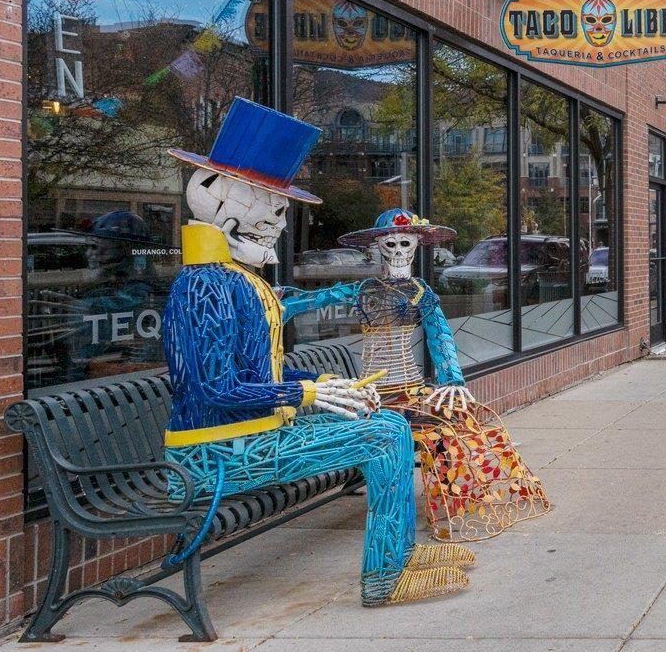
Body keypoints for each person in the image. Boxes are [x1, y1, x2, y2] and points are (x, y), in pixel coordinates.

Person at [162, 99, 470, 607]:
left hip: (252, 435)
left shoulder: (233, 280)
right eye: (275, 208)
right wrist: (308, 391)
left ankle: (398, 557)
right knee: (382, 436)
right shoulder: (204, 287)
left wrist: (329, 387)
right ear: (227, 205)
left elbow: (257, 371)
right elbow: (214, 389)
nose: (281, 224)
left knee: (389, 426)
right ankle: (386, 577)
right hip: (214, 455)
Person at [287, 210, 551, 542]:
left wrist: (452, 380)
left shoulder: (420, 293)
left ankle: (456, 498)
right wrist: (274, 304)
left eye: (405, 243)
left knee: (459, 420)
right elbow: (310, 300)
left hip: (410, 388)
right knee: (424, 428)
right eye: (392, 243)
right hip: (372, 396)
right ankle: (407, 504)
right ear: (378, 246)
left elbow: (440, 336)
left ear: (416, 246)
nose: (398, 251)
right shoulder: (363, 290)